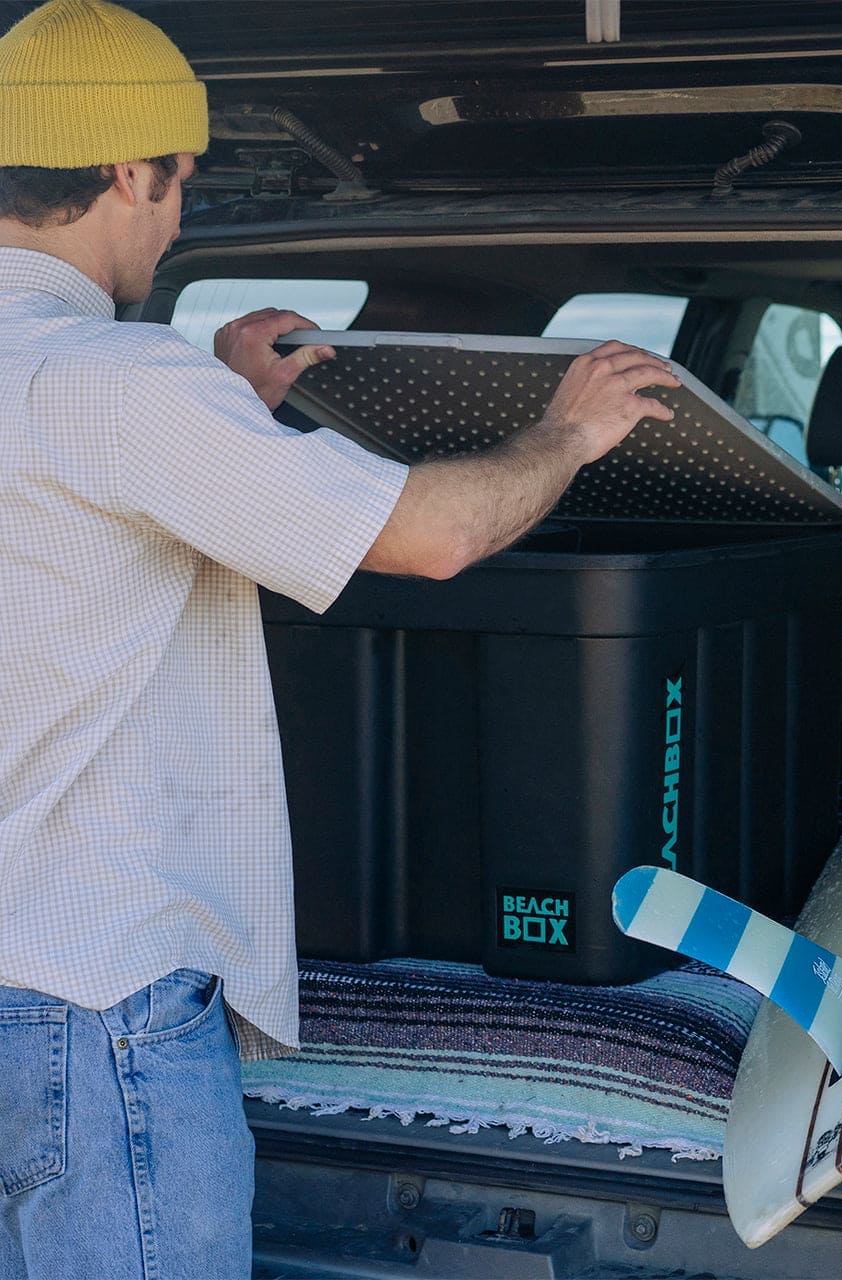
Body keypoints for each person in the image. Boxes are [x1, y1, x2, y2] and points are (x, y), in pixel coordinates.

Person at [0, 2, 680, 1276]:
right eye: (178, 183)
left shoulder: (102, 389)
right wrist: (570, 432)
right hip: (91, 1010)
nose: (178, 216)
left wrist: (236, 404)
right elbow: (428, 536)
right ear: (127, 172)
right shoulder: (127, 387)